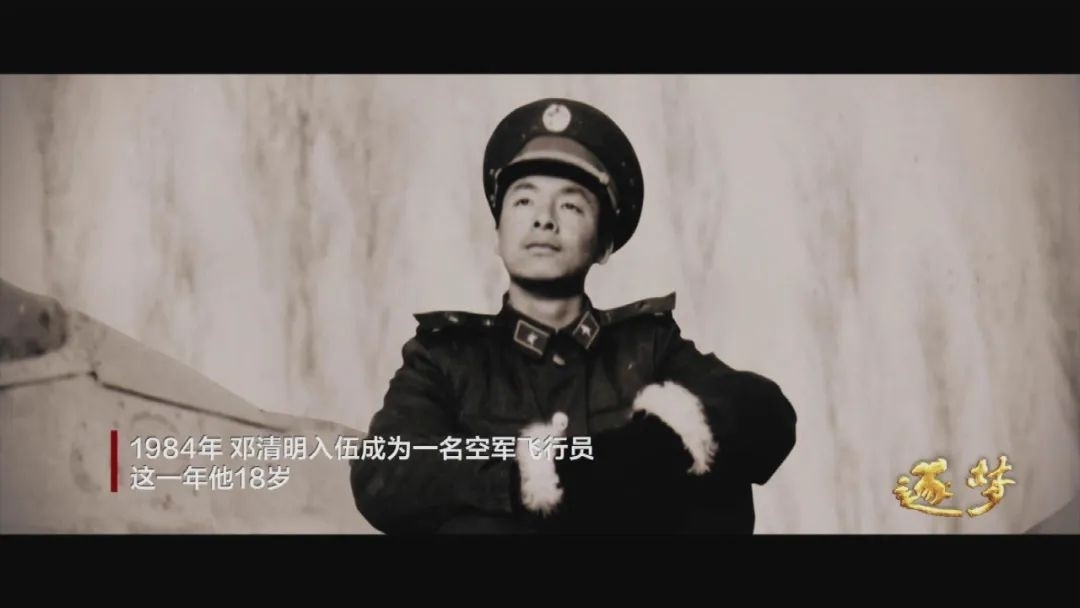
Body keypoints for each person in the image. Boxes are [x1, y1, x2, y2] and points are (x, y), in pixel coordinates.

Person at [349, 97, 797, 534]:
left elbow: (766, 414)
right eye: (523, 201)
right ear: (497, 234)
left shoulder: (647, 348)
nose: (544, 219)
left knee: (716, 477)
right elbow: (384, 471)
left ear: (604, 245)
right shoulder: (447, 358)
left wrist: (653, 445)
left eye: (570, 205)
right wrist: (533, 478)